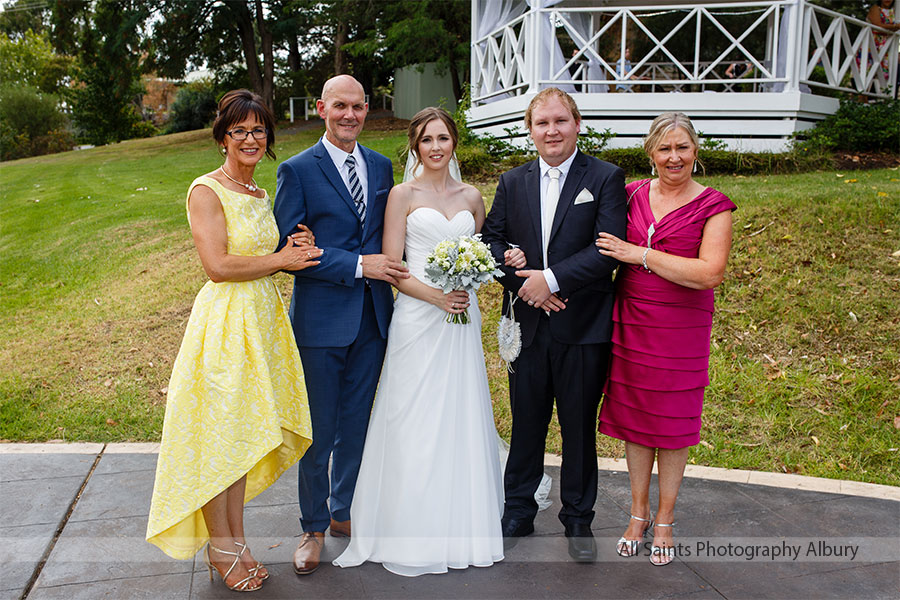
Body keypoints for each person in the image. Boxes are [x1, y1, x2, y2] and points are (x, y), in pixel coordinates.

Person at [146, 89, 317, 592]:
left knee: (240, 439)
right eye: (239, 130)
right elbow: (218, 266)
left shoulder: (260, 195)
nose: (249, 138)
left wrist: (293, 248)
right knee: (220, 438)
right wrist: (280, 260)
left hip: (261, 324)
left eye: (258, 130)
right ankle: (220, 548)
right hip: (224, 329)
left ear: (268, 140)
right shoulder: (206, 190)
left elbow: (266, 253)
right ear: (223, 137)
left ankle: (235, 541)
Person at [333, 107, 505, 576]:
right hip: (417, 316)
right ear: (415, 146)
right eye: (427, 139)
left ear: (454, 144)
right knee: (412, 414)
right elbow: (392, 266)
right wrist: (436, 297)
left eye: (443, 138)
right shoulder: (401, 195)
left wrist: (473, 279)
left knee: (459, 412)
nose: (435, 147)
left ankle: (460, 521)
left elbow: (482, 254)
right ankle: (405, 522)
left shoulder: (472, 196)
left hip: (462, 322)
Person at [482, 87, 627, 562]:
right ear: (530, 129)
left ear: (577, 124)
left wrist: (552, 279)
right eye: (542, 123)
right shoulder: (512, 181)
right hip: (528, 323)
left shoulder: (604, 177)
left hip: (582, 325)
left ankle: (578, 520)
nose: (552, 131)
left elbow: (607, 247)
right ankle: (518, 510)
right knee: (526, 421)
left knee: (578, 426)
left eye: (560, 121)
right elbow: (491, 242)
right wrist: (519, 275)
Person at [273, 74, 409, 576]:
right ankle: (310, 526)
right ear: (322, 108)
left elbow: (392, 234)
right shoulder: (296, 170)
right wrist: (357, 264)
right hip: (321, 322)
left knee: (357, 426)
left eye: (357, 106)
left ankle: (344, 511)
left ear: (367, 108)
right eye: (339, 106)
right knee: (319, 431)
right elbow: (290, 253)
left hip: (374, 317)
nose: (349, 115)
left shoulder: (380, 166)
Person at [595, 112, 736, 566]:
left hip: (681, 328)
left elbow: (709, 273)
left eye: (683, 148)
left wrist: (642, 255)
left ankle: (666, 520)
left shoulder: (715, 205)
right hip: (631, 321)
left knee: (673, 427)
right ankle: (637, 515)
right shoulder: (631, 193)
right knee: (637, 421)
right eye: (664, 148)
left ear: (696, 151)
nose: (674, 157)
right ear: (650, 152)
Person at [865, 0, 899, 95]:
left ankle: (883, 98)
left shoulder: (895, 12)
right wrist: (896, 26)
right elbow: (877, 25)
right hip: (873, 43)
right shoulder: (876, 9)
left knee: (883, 72)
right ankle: (862, 98)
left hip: (886, 45)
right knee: (867, 70)